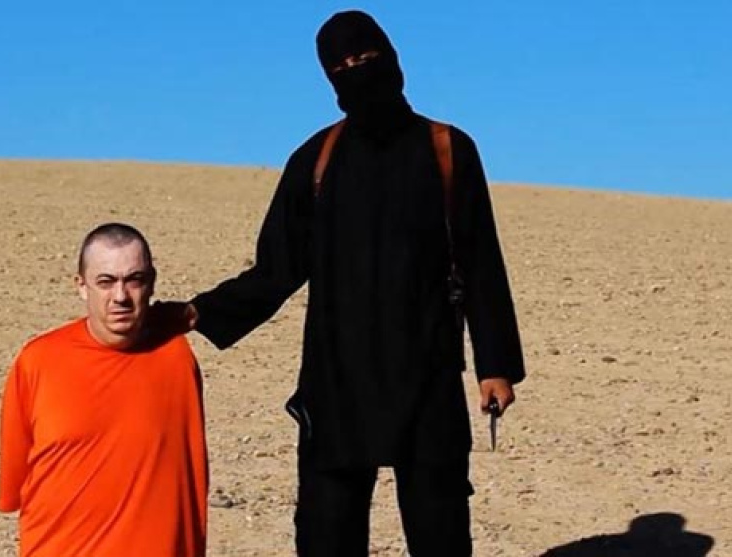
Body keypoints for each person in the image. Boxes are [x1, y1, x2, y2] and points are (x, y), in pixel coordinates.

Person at [161, 9, 526, 556]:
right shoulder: (315, 161)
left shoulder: (447, 150)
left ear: (392, 58)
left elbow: (480, 262)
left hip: (426, 374)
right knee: (326, 534)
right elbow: (277, 269)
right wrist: (198, 313)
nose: (356, 71)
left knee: (441, 531)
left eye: (366, 57)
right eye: (341, 66)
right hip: (336, 382)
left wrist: (495, 365)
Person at [0, 223, 208, 557]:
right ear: (81, 286)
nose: (120, 297)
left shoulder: (177, 358)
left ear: (152, 283)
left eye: (134, 280)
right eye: (105, 282)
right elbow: (16, 484)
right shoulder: (38, 362)